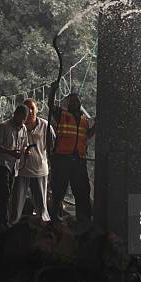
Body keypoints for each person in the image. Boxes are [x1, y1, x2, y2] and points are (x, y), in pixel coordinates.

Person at [48, 86, 96, 224]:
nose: (75, 102)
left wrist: (97, 124)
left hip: (79, 160)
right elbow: (50, 105)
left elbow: (87, 136)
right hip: (62, 158)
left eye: (77, 100)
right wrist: (52, 91)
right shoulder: (61, 115)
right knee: (59, 189)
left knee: (82, 190)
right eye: (72, 101)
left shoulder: (84, 120)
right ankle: (55, 217)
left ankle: (83, 218)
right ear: (68, 104)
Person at [10, 98, 55, 225]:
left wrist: (53, 171)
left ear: (37, 109)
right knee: (16, 206)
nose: (29, 111)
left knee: (42, 208)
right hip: (21, 171)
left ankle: (45, 232)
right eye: (26, 109)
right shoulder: (17, 126)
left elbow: (53, 148)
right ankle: (12, 230)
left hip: (40, 171)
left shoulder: (46, 126)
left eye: (32, 108)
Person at [0, 105, 29, 229]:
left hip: (14, 166)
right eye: (21, 117)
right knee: (4, 192)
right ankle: (0, 222)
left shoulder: (23, 128)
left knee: (7, 194)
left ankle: (2, 221)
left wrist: (26, 151)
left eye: (24, 119)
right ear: (15, 114)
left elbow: (24, 145)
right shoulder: (3, 127)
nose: (22, 121)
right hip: (1, 164)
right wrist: (10, 152)